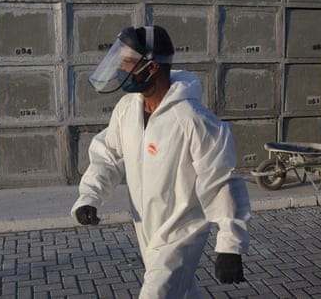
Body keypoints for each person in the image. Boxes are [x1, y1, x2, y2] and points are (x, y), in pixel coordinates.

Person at [71, 25, 251, 298]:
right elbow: (108, 154)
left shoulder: (193, 119)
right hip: (146, 229)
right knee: (183, 293)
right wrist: (89, 196)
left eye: (127, 62)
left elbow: (221, 181)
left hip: (181, 235)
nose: (120, 67)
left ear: (151, 67)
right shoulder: (127, 110)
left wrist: (230, 245)